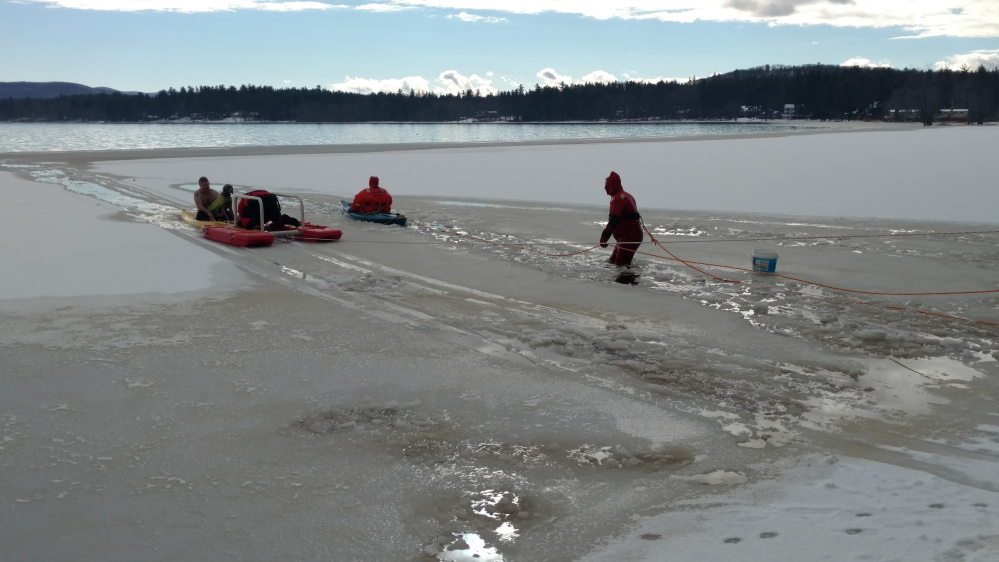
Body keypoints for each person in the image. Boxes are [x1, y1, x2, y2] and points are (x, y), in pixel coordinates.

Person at [599, 171, 643, 267]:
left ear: (612, 185)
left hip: (629, 238)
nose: (605, 187)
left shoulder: (619, 198)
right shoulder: (625, 195)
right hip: (625, 237)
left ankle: (630, 281)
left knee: (621, 266)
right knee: (612, 261)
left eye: (606, 184)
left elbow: (615, 219)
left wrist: (604, 237)